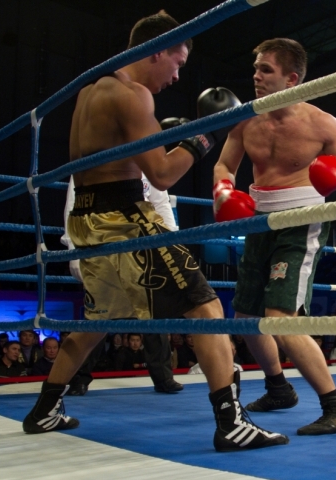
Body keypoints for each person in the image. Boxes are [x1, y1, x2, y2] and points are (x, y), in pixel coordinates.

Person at [21, 11, 287, 452]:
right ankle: (231, 424)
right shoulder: (133, 95)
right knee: (206, 310)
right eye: (177, 62)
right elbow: (162, 176)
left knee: (99, 320)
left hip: (85, 220)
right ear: (157, 50)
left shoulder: (91, 90)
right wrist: (203, 136)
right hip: (122, 218)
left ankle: (45, 408)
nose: (178, 74)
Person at [213, 38, 336, 435]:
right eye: (256, 69)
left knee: (280, 318)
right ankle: (278, 388)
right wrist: (224, 191)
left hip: (301, 220)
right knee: (246, 317)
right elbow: (224, 165)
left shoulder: (321, 123)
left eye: (266, 70)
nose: (256, 76)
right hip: (257, 221)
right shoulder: (246, 119)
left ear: (291, 78)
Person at [62, 173, 183, 394]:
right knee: (99, 314)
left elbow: (160, 203)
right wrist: (74, 250)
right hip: (102, 242)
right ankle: (79, 377)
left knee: (154, 312)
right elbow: (74, 203)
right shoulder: (94, 153)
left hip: (143, 242)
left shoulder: (148, 157)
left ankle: (163, 376)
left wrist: (170, 243)